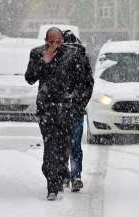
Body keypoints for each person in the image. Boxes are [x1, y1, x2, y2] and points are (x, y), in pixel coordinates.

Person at [25, 27, 92, 201]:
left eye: (58, 41)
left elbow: (85, 83)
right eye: (51, 41)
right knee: (50, 147)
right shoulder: (37, 53)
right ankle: (52, 186)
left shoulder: (73, 55)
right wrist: (44, 61)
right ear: (46, 40)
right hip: (47, 109)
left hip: (67, 110)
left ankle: (61, 174)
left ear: (62, 41)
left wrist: (77, 105)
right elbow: (30, 78)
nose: (55, 45)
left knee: (63, 148)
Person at [62, 30, 94, 192]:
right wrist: (80, 102)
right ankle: (74, 176)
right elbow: (89, 85)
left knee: (62, 144)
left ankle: (67, 176)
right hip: (74, 109)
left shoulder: (59, 59)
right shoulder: (82, 59)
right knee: (74, 145)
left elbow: (88, 84)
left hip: (63, 110)